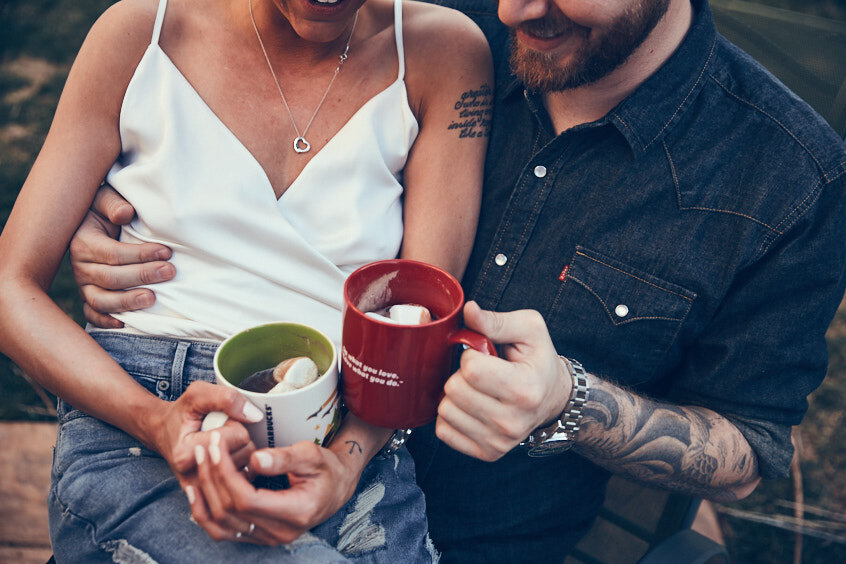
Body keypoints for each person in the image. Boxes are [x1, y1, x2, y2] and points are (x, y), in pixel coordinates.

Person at [65, 0, 846, 561]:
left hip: (486, 538)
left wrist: (570, 402)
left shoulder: (787, 179)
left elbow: (750, 453)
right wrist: (131, 214)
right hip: (277, 444)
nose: (517, 10)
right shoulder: (435, 37)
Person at [0, 0, 494, 561]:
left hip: (349, 424)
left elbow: (417, 322)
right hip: (144, 412)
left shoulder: (444, 53)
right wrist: (158, 421)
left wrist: (345, 462)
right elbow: (9, 287)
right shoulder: (142, 32)